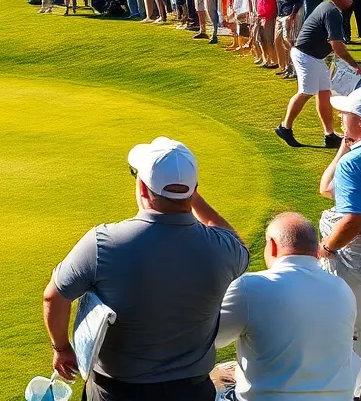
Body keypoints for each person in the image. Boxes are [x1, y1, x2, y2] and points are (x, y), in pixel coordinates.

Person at [43, 137, 249, 399]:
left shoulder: (102, 243)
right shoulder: (223, 249)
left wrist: (61, 348)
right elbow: (233, 240)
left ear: (141, 186)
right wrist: (192, 198)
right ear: (193, 189)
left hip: (115, 392)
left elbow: (54, 296)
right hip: (191, 391)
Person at [215, 212, 356, 401]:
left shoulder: (250, 286)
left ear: (272, 245)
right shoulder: (343, 289)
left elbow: (211, 339)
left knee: (214, 378)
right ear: (315, 249)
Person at [278, 0, 361, 147]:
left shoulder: (330, 8)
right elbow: (337, 46)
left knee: (324, 93)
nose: (351, 0)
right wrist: (355, 65)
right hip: (305, 56)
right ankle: (284, 127)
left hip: (314, 57)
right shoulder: (332, 12)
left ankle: (329, 134)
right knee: (306, 91)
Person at [317, 86, 361, 361]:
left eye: (346, 113)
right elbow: (326, 188)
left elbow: (353, 221)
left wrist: (327, 246)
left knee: (350, 328)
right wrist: (342, 149)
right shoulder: (351, 158)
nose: (341, 117)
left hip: (354, 260)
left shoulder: (354, 164)